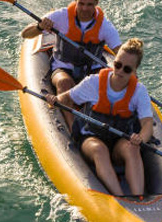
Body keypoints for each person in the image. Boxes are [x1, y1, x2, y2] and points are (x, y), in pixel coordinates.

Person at [46, 39, 153, 197]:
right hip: (91, 137)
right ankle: (120, 199)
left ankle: (138, 198)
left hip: (119, 142)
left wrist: (141, 138)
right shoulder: (94, 83)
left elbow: (147, 123)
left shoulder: (139, 91)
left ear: (134, 71)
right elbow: (67, 97)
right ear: (114, 61)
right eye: (117, 64)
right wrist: (55, 100)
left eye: (127, 68)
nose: (120, 71)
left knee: (132, 148)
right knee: (99, 149)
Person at [21, 0, 122, 129]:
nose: (84, 8)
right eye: (81, 3)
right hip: (63, 67)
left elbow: (120, 53)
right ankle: (73, 129)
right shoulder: (61, 16)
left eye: (89, 4)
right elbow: (25, 34)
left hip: (93, 69)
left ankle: (102, 126)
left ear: (96, 4)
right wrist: (40, 27)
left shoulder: (105, 26)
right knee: (64, 83)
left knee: (107, 91)